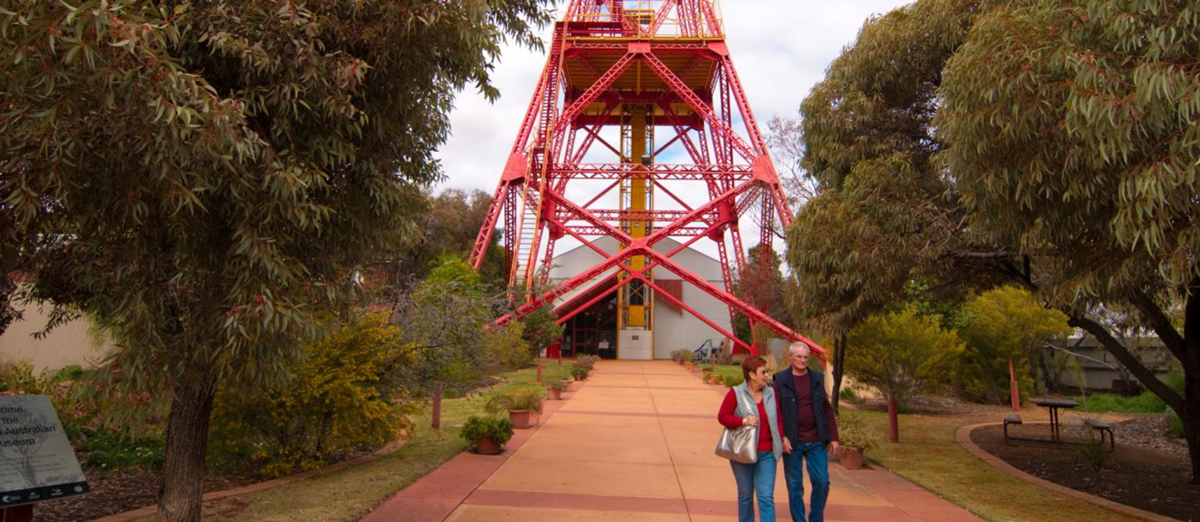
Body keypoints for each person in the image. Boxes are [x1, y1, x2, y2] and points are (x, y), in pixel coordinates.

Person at [773, 342, 839, 522]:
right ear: (791, 358)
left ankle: (816, 518)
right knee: (795, 486)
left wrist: (833, 437)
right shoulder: (780, 380)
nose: (803, 360)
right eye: (799, 357)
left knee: (822, 482)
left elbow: (826, 409)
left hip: (817, 440)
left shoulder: (817, 378)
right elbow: (775, 412)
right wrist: (782, 436)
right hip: (792, 442)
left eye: (805, 357)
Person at [718, 355, 785, 522]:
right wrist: (742, 421)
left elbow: (778, 419)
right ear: (752, 374)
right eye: (763, 372)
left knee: (766, 497)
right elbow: (722, 417)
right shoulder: (736, 393)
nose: (766, 375)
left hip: (767, 453)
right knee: (745, 495)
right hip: (743, 453)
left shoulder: (770, 393)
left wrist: (782, 438)